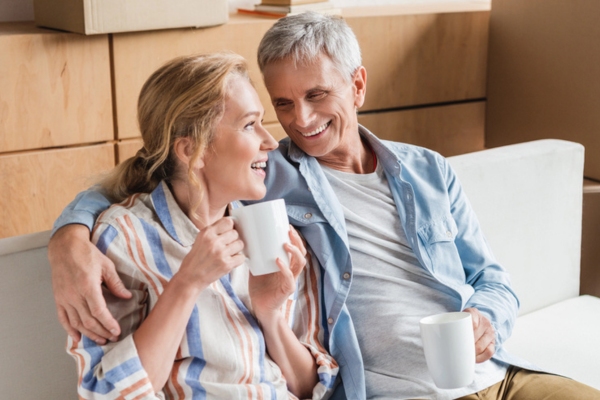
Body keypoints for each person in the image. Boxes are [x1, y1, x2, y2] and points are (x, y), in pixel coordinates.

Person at [49, 12, 599, 400]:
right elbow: (160, 172)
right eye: (281, 105)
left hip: (496, 377)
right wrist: (69, 236)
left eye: (316, 96)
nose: (297, 123)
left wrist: (486, 320)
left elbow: (492, 278)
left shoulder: (427, 169)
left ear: (357, 85)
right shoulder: (270, 177)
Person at [60, 52, 338, 399]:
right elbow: (109, 392)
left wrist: (270, 317)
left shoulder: (276, 232)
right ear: (193, 150)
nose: (270, 142)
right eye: (250, 125)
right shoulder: (124, 238)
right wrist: (188, 283)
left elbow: (313, 388)